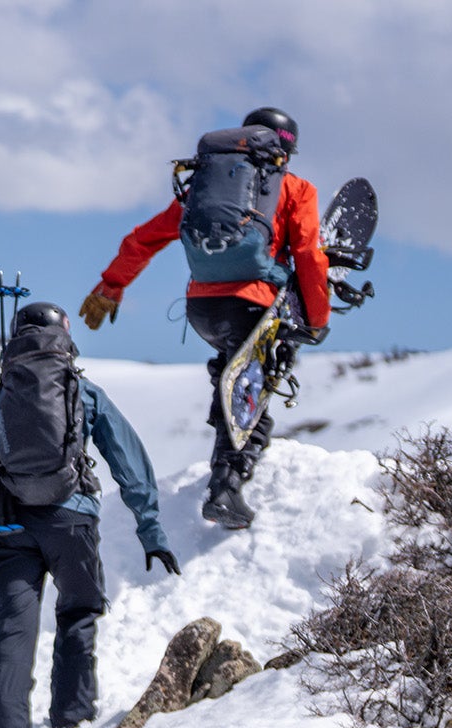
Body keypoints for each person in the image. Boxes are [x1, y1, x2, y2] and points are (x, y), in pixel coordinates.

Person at [77, 107, 330, 530]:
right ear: (285, 150)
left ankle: (223, 470)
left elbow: (142, 239)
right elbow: (309, 255)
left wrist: (110, 287)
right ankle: (226, 489)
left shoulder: (204, 192)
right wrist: (317, 318)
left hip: (203, 309)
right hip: (254, 304)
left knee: (230, 381)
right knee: (251, 395)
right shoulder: (295, 189)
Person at [0, 302, 176, 728]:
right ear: (65, 337)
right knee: (76, 613)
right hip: (72, 523)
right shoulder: (82, 391)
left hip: (8, 528)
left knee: (14, 634)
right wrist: (151, 530)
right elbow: (129, 461)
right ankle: (72, 718)